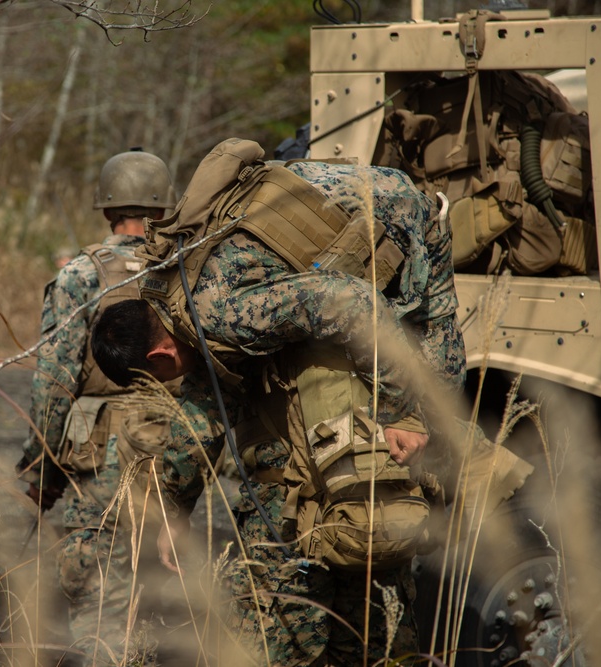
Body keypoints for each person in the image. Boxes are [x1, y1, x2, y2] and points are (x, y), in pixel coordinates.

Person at [90, 138, 470, 665]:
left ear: (157, 354)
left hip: (408, 219)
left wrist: (400, 413)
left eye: (163, 379)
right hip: (351, 208)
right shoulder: (171, 293)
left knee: (440, 388)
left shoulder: (218, 311)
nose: (177, 386)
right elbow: (205, 404)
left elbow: (353, 302)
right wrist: (173, 509)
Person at [15, 149, 183, 665]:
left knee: (97, 595)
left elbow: (54, 382)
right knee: (158, 596)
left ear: (108, 210)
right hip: (173, 448)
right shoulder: (184, 269)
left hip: (100, 452)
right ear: (163, 208)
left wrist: (40, 467)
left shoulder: (81, 275)